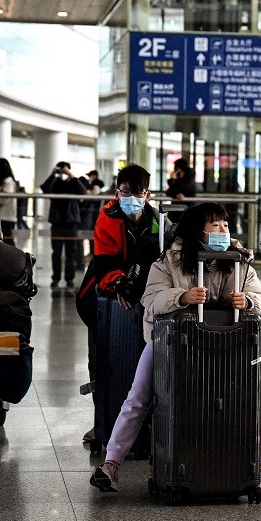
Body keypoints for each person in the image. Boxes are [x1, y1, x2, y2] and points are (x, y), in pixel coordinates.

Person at [90, 202, 261, 492]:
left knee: (244, 398)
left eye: (225, 225)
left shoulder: (239, 260)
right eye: (215, 226)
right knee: (138, 397)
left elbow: (259, 298)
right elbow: (151, 299)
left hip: (225, 342)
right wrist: (181, 297)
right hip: (168, 343)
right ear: (197, 230)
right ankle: (111, 463)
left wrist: (247, 302)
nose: (223, 230)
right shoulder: (169, 260)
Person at [82, 164, 160, 443]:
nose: (131, 199)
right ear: (117, 192)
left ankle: (143, 429)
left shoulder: (157, 221)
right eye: (125, 193)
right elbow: (104, 259)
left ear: (147, 195)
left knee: (143, 364)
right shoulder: (108, 216)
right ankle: (103, 422)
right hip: (104, 299)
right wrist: (117, 284)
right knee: (102, 359)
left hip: (144, 297)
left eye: (137, 193)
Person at [41, 161, 87, 291]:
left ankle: (69, 278)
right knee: (56, 252)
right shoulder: (55, 182)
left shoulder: (73, 182)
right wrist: (53, 174)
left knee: (70, 253)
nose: (62, 171)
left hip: (71, 222)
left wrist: (71, 175)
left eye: (64, 169)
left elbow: (82, 191)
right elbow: (45, 188)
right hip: (57, 222)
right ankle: (55, 278)